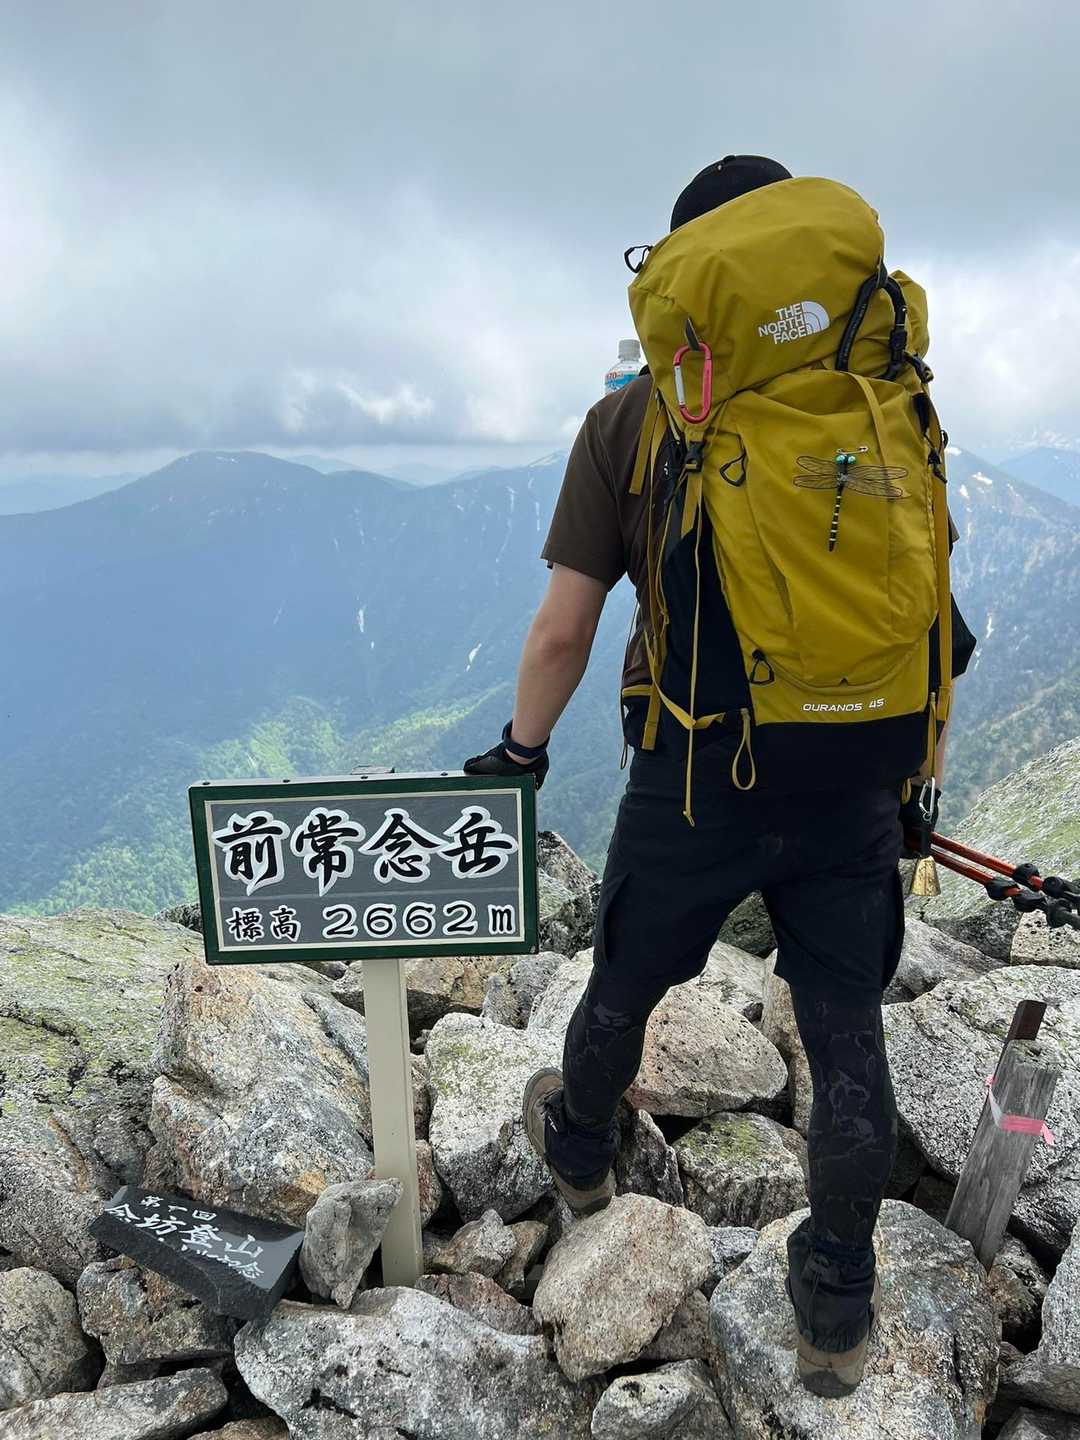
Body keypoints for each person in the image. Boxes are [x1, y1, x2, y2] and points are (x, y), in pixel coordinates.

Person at [463, 155, 974, 1398]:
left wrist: (522, 752)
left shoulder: (634, 420)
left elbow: (564, 630)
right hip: (856, 773)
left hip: (695, 777)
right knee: (844, 1030)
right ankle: (836, 1306)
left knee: (626, 979)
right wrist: (914, 784)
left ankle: (581, 1152)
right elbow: (928, 619)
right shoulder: (884, 403)